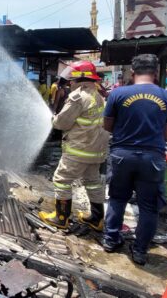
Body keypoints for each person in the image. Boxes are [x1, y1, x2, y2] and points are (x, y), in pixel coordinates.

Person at [100, 54, 167, 265]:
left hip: (121, 155)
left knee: (117, 198)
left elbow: (107, 126)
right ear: (156, 73)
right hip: (152, 158)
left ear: (132, 73)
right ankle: (140, 251)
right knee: (148, 207)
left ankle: (110, 240)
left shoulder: (118, 94)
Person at [38, 60, 109, 231]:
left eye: (71, 78)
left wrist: (53, 119)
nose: (70, 82)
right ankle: (96, 219)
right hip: (96, 151)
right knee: (92, 181)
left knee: (61, 179)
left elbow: (62, 123)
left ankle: (61, 218)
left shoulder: (78, 97)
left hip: (79, 149)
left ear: (79, 78)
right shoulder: (98, 96)